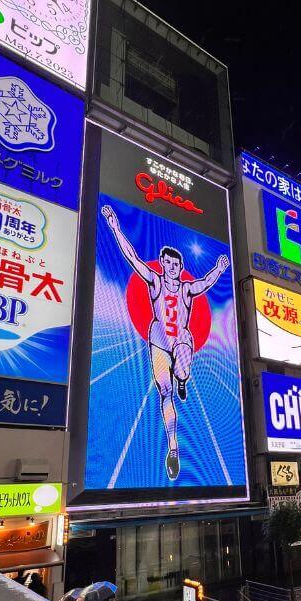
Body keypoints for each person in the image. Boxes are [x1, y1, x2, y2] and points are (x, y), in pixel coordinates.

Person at [101, 204, 230, 481]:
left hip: (181, 338)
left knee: (181, 371)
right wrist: (114, 226)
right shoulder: (155, 282)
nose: (171, 267)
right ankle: (173, 448)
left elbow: (205, 283)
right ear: (162, 264)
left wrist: (219, 270)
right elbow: (132, 258)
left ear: (181, 267)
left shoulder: (186, 288)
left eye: (175, 264)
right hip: (159, 338)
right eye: (167, 263)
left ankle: (183, 377)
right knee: (165, 391)